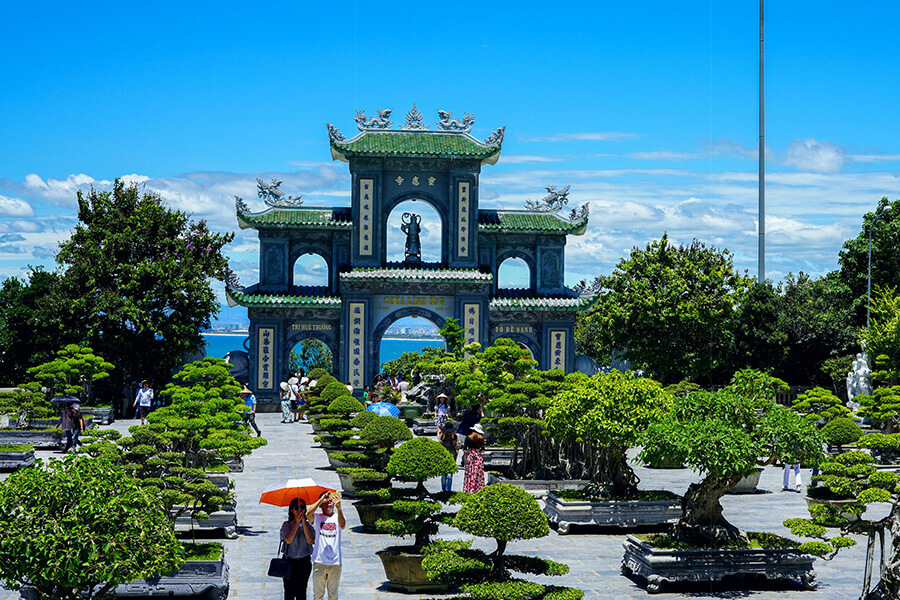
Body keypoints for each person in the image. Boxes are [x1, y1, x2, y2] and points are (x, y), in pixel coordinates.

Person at [306, 491, 345, 600]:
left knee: (333, 596)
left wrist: (339, 508)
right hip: (320, 562)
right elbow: (308, 514)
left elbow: (342, 524)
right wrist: (320, 500)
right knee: (318, 596)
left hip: (335, 563)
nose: (329, 504)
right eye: (326, 502)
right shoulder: (318, 518)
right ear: (321, 505)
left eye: (331, 502)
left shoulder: (337, 517)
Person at [280, 497, 316, 600]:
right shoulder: (286, 525)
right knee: (289, 592)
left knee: (302, 592)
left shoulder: (308, 525)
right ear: (292, 510)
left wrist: (304, 523)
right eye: (296, 508)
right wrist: (296, 523)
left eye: (302, 507)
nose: (300, 510)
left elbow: (310, 541)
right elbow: (288, 540)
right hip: (289, 561)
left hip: (304, 562)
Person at [463, 423, 486, 494]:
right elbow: (483, 450)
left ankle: (469, 489)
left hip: (471, 456)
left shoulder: (468, 437)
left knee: (470, 472)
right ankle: (477, 489)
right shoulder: (481, 439)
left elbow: (465, 449)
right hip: (478, 456)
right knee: (478, 473)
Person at [438, 423, 459, 492]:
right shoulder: (442, 436)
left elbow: (457, 446)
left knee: (449, 476)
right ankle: (444, 489)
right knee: (443, 475)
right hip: (444, 457)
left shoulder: (455, 437)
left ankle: (448, 490)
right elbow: (439, 445)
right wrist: (443, 438)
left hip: (452, 457)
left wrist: (453, 439)